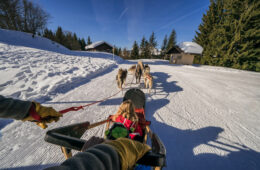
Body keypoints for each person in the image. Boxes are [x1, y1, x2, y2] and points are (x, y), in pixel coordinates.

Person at [0, 95, 152, 169]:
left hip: (111, 136)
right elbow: (135, 130)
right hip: (123, 142)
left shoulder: (116, 117)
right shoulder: (133, 120)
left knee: (107, 138)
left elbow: (113, 118)